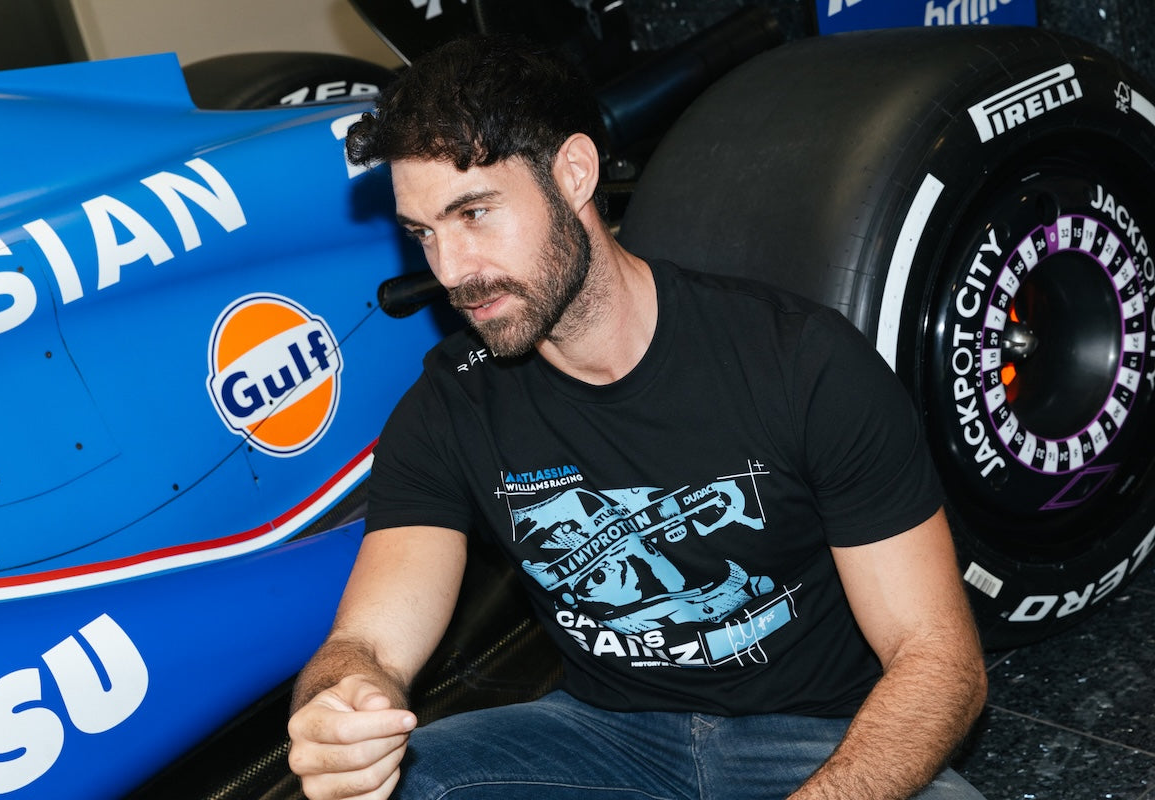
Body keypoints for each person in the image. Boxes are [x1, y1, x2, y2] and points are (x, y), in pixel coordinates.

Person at [287, 33, 988, 800]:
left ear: (575, 174)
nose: (452, 271)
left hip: (817, 739)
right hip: (604, 738)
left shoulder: (800, 363)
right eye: (423, 233)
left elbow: (939, 661)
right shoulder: (450, 408)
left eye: (476, 213)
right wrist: (342, 707)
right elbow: (366, 644)